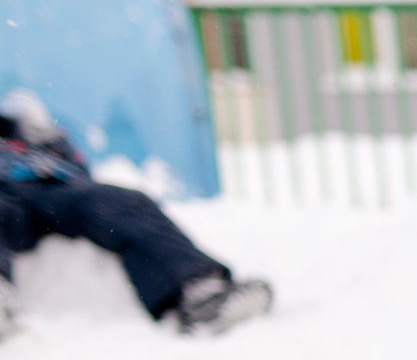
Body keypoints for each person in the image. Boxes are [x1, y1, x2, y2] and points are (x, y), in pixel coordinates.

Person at [0, 90, 270, 339]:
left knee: (121, 202)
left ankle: (200, 292)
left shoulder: (54, 144)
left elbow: (82, 174)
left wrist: (47, 143)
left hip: (56, 192)